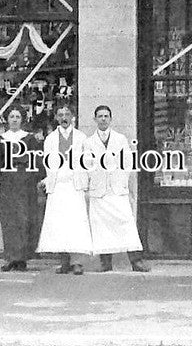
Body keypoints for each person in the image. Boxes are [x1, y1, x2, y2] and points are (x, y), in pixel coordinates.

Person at [85, 106, 149, 273]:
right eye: (100, 116)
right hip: (99, 191)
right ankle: (106, 263)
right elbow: (85, 165)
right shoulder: (89, 142)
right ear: (95, 120)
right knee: (101, 227)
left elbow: (127, 163)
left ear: (111, 119)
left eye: (106, 116)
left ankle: (136, 261)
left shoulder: (120, 139)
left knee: (126, 223)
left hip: (117, 190)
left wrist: (120, 182)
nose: (103, 119)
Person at [36, 106, 92, 275]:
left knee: (76, 222)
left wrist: (86, 179)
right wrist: (47, 180)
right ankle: (64, 261)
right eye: (60, 115)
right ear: (56, 118)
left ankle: (77, 263)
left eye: (67, 114)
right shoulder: (51, 139)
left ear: (73, 117)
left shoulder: (82, 138)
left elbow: (88, 161)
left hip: (75, 185)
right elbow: (47, 164)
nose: (64, 117)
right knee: (60, 223)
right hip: (58, 185)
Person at [0, 107, 43, 272]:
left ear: (22, 119)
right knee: (9, 219)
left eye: (17, 117)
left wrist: (33, 178)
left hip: (25, 182)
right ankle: (11, 258)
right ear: (7, 119)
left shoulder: (29, 139)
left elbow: (37, 160)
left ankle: (22, 259)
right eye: (12, 116)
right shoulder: (1, 139)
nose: (14, 119)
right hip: (8, 182)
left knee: (24, 218)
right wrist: (1, 178)